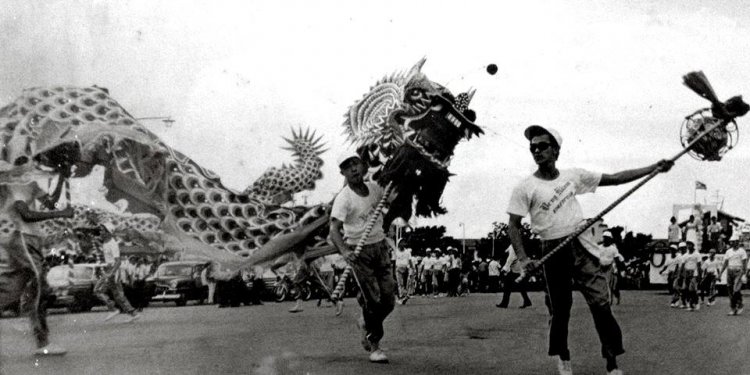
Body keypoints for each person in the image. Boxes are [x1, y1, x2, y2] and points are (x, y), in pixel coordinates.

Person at [506, 125, 672, 375]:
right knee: (560, 310)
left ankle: (612, 361)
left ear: (556, 150)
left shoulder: (573, 176)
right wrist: (523, 257)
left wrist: (652, 168)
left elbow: (615, 178)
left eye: (542, 146)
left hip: (580, 244)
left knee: (601, 303)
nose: (537, 150)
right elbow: (513, 225)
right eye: (533, 147)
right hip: (552, 248)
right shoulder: (525, 187)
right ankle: (563, 358)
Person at [329, 151, 395, 363]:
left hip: (380, 246)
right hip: (359, 251)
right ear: (343, 172)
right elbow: (334, 229)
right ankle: (374, 345)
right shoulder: (344, 198)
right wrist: (344, 251)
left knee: (389, 300)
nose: (354, 169)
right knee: (373, 300)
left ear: (363, 166)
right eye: (348, 167)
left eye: (356, 164)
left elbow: (393, 200)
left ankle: (365, 321)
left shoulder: (376, 190)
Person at [0, 172, 74, 356]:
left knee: (11, 288)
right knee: (40, 288)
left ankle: (43, 341)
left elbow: (50, 202)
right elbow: (25, 214)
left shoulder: (31, 183)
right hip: (21, 237)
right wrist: (61, 213)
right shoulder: (17, 182)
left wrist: (62, 178)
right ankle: (43, 342)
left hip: (30, 239)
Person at [93, 222, 141, 322]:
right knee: (118, 294)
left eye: (102, 230)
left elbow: (118, 261)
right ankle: (133, 313)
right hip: (109, 269)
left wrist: (111, 273)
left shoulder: (112, 244)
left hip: (113, 270)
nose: (100, 232)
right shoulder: (105, 243)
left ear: (108, 232)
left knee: (98, 290)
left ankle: (113, 309)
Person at [720, 240, 747, 316]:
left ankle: (740, 303)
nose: (732, 243)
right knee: (730, 290)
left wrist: (744, 273)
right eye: (731, 242)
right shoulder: (728, 251)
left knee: (736, 289)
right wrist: (720, 273)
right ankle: (733, 308)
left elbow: (744, 263)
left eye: (734, 242)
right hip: (730, 271)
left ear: (737, 242)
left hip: (738, 271)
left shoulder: (742, 251)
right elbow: (725, 263)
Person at [598, 231, 624, 306]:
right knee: (602, 286)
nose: (605, 239)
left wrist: (618, 272)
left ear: (610, 239)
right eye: (604, 238)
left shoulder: (613, 249)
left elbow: (617, 260)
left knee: (611, 286)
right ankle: (604, 300)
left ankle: (610, 301)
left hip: (610, 269)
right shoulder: (599, 248)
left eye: (607, 238)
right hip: (601, 268)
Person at [680, 241, 702, 311]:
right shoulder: (685, 256)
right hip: (687, 273)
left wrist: (699, 275)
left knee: (691, 289)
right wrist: (681, 274)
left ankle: (694, 303)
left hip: (694, 273)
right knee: (684, 289)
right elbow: (682, 266)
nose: (688, 246)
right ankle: (690, 302)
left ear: (693, 245)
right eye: (687, 245)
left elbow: (699, 266)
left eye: (690, 245)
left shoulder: (697, 254)